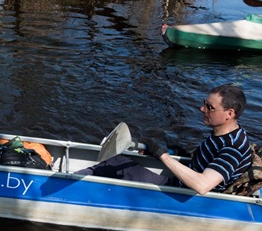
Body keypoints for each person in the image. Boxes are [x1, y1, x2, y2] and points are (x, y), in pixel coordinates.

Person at [79, 84, 253, 195]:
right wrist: (175, 152)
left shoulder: (232, 148)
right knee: (118, 163)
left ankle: (66, 183)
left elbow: (202, 186)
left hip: (182, 193)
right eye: (204, 103)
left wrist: (162, 155)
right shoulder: (224, 133)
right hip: (180, 185)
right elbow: (208, 160)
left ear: (229, 114)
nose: (202, 109)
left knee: (115, 164)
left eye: (210, 107)